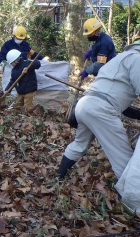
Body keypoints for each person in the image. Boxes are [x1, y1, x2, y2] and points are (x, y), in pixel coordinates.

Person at [56, 34, 140, 181]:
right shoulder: (137, 59)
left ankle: (58, 178)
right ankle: (130, 198)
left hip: (85, 103)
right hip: (101, 109)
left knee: (79, 144)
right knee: (123, 157)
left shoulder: (122, 57)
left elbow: (117, 96)